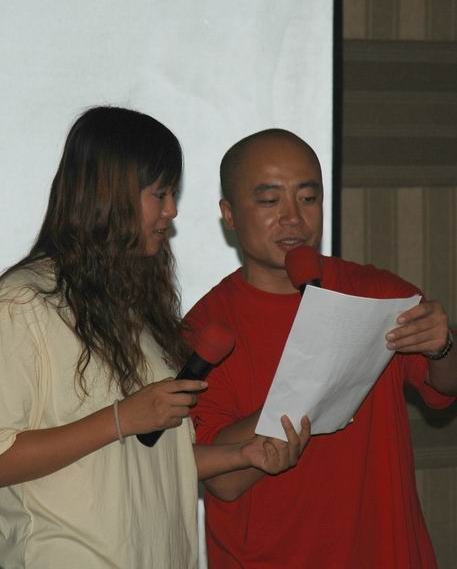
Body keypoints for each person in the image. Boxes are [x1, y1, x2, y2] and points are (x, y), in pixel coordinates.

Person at [0, 109, 310, 569]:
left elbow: (146, 462)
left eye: (173, 195)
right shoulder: (24, 301)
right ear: (109, 195)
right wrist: (120, 418)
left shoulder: (132, 308)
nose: (172, 211)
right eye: (160, 194)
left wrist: (239, 455)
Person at [186, 128, 457, 569]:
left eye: (308, 198)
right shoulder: (204, 328)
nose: (293, 218)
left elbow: (444, 387)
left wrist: (442, 346)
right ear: (229, 214)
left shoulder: (376, 293)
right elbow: (224, 482)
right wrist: (308, 388)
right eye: (270, 201)